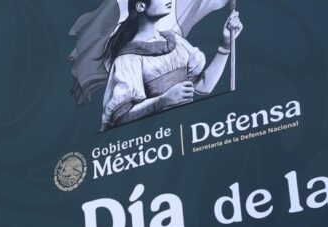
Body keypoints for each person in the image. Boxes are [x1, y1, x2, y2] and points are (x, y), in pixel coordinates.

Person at [99, 0, 243, 130]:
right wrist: (161, 101)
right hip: (160, 137)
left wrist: (226, 44)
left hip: (189, 128)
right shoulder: (128, 59)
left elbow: (204, 86)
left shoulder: (176, 41)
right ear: (141, 6)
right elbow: (120, 118)